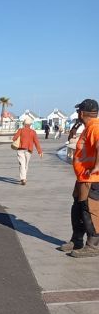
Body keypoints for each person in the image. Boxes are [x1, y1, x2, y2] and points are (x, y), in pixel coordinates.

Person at [63, 99, 99, 256]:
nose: (78, 113)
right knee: (77, 209)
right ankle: (76, 240)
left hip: (92, 179)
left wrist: (97, 166)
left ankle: (93, 246)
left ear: (82, 113)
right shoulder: (88, 127)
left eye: (78, 111)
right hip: (83, 178)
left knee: (89, 210)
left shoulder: (95, 127)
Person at [12, 118, 43, 185]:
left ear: (24, 124)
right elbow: (36, 142)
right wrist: (40, 151)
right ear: (30, 124)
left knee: (22, 164)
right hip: (29, 150)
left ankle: (23, 178)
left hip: (20, 149)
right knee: (26, 164)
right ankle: (24, 178)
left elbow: (14, 138)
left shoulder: (20, 130)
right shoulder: (33, 132)